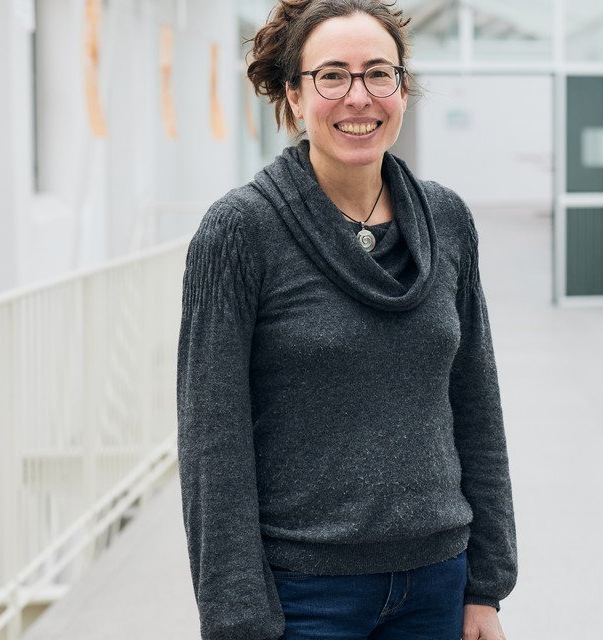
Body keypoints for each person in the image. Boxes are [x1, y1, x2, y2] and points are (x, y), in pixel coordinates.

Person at [176, 1, 515, 638]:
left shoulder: (447, 222)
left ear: (403, 90)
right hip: (303, 595)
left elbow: (476, 404)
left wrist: (485, 587)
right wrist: (237, 620)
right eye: (332, 76)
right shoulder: (240, 232)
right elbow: (211, 444)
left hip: (438, 582)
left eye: (378, 74)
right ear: (294, 96)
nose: (358, 97)